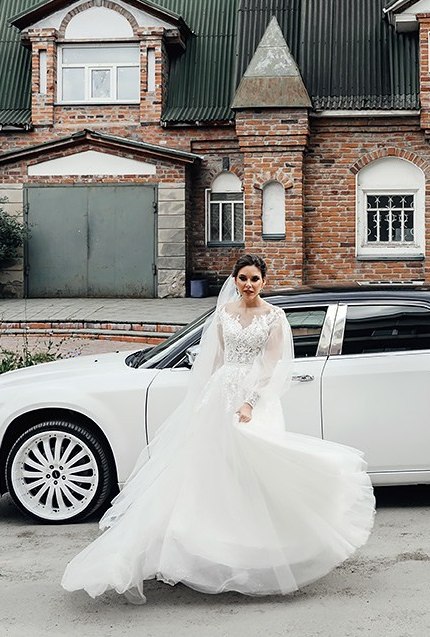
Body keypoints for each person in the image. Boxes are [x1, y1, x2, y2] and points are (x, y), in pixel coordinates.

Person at [62, 254, 375, 600]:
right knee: (208, 472)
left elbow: (272, 365)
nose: (249, 285)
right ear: (235, 279)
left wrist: (250, 402)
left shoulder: (274, 316)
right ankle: (206, 549)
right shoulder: (223, 313)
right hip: (219, 395)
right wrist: (203, 400)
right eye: (243, 278)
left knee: (253, 469)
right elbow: (215, 360)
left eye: (255, 279)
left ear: (263, 281)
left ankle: (260, 551)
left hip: (253, 401)